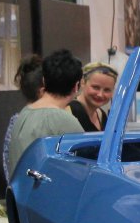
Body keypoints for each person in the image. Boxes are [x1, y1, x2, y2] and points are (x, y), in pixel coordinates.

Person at [5, 49, 84, 179]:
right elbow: (80, 172)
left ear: (44, 80)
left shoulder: (24, 114)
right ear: (76, 86)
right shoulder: (65, 121)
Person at [68, 61, 118, 133]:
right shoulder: (70, 111)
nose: (100, 94)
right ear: (82, 83)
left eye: (107, 90)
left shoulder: (101, 115)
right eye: (95, 87)